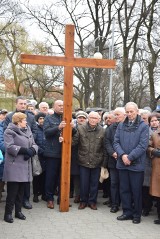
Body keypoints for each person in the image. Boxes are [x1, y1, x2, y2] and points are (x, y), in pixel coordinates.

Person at [113, 102, 149, 224]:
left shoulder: (143, 126)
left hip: (136, 164)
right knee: (124, 189)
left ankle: (136, 214)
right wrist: (123, 155)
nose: (129, 114)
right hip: (122, 163)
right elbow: (116, 142)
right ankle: (127, 212)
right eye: (127, 112)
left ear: (137, 111)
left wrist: (130, 157)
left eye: (131, 112)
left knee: (136, 190)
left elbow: (143, 145)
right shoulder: (121, 125)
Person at [3, 112, 38, 223]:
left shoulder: (27, 129)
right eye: (24, 120)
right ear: (18, 121)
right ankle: (8, 214)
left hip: (25, 165)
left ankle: (18, 211)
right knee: (12, 192)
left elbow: (34, 144)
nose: (26, 122)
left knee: (21, 192)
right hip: (14, 165)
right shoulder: (9, 131)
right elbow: (9, 147)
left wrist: (32, 151)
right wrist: (24, 150)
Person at [72, 111, 106, 210]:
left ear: (99, 120)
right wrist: (64, 139)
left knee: (94, 184)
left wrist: (104, 163)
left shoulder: (103, 131)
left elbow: (104, 148)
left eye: (95, 118)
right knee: (84, 183)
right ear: (88, 118)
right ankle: (83, 201)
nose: (93, 120)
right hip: (83, 160)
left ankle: (92, 202)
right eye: (91, 117)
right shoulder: (80, 128)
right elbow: (74, 142)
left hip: (97, 161)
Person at [43, 100, 66, 209]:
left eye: (63, 105)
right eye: (59, 105)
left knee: (62, 178)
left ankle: (62, 199)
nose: (62, 107)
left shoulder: (67, 117)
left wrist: (72, 127)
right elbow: (46, 133)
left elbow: (74, 133)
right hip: (52, 153)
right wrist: (58, 127)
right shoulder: (49, 118)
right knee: (51, 177)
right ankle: (50, 199)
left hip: (65, 153)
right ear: (54, 107)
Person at [105, 107, 126, 213]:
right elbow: (107, 142)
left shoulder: (128, 126)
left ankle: (126, 205)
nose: (116, 116)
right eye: (115, 115)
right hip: (113, 160)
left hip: (126, 160)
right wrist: (112, 152)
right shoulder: (110, 128)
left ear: (124, 115)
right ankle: (114, 204)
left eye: (118, 115)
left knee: (124, 184)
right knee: (114, 183)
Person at [71, 110, 88, 203]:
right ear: (76, 119)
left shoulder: (88, 128)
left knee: (85, 178)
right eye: (79, 117)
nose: (81, 119)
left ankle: (84, 195)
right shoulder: (74, 128)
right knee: (76, 177)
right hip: (75, 155)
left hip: (86, 156)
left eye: (83, 118)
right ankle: (77, 195)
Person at [148, 113, 160, 224]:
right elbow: (148, 146)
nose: (155, 122)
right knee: (158, 193)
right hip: (157, 165)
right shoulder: (155, 134)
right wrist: (153, 151)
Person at [33, 112, 46, 203]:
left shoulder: (47, 129)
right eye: (40, 119)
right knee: (37, 176)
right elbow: (34, 142)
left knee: (45, 176)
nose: (42, 120)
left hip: (47, 156)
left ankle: (44, 194)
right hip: (38, 156)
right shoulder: (35, 129)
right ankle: (35, 194)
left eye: (43, 118)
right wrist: (41, 151)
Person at [0, 109, 8, 201]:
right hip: (2, 153)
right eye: (2, 114)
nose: (4, 116)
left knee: (2, 177)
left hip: (4, 155)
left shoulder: (5, 126)